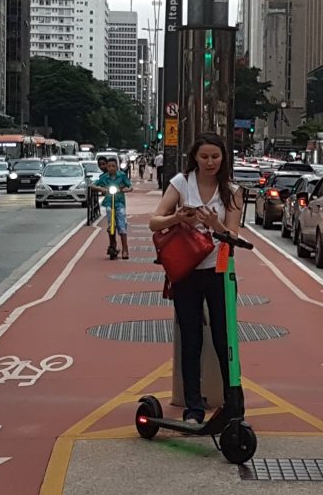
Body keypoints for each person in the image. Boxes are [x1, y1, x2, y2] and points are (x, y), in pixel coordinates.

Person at [148, 132, 244, 424]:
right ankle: (194, 407)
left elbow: (234, 236)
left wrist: (215, 224)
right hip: (186, 272)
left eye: (215, 156)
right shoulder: (181, 183)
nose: (210, 162)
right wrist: (179, 217)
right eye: (204, 157)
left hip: (219, 271)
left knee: (224, 339)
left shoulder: (231, 190)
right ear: (195, 158)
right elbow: (155, 221)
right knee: (191, 340)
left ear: (223, 158)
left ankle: (233, 406)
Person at [93, 157, 133, 259]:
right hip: (109, 203)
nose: (111, 168)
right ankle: (113, 244)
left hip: (119, 203)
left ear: (117, 167)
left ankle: (125, 249)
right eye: (109, 166)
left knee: (122, 224)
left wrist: (126, 189)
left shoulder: (122, 175)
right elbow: (92, 185)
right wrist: (100, 188)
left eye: (113, 166)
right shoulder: (104, 177)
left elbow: (130, 185)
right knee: (111, 225)